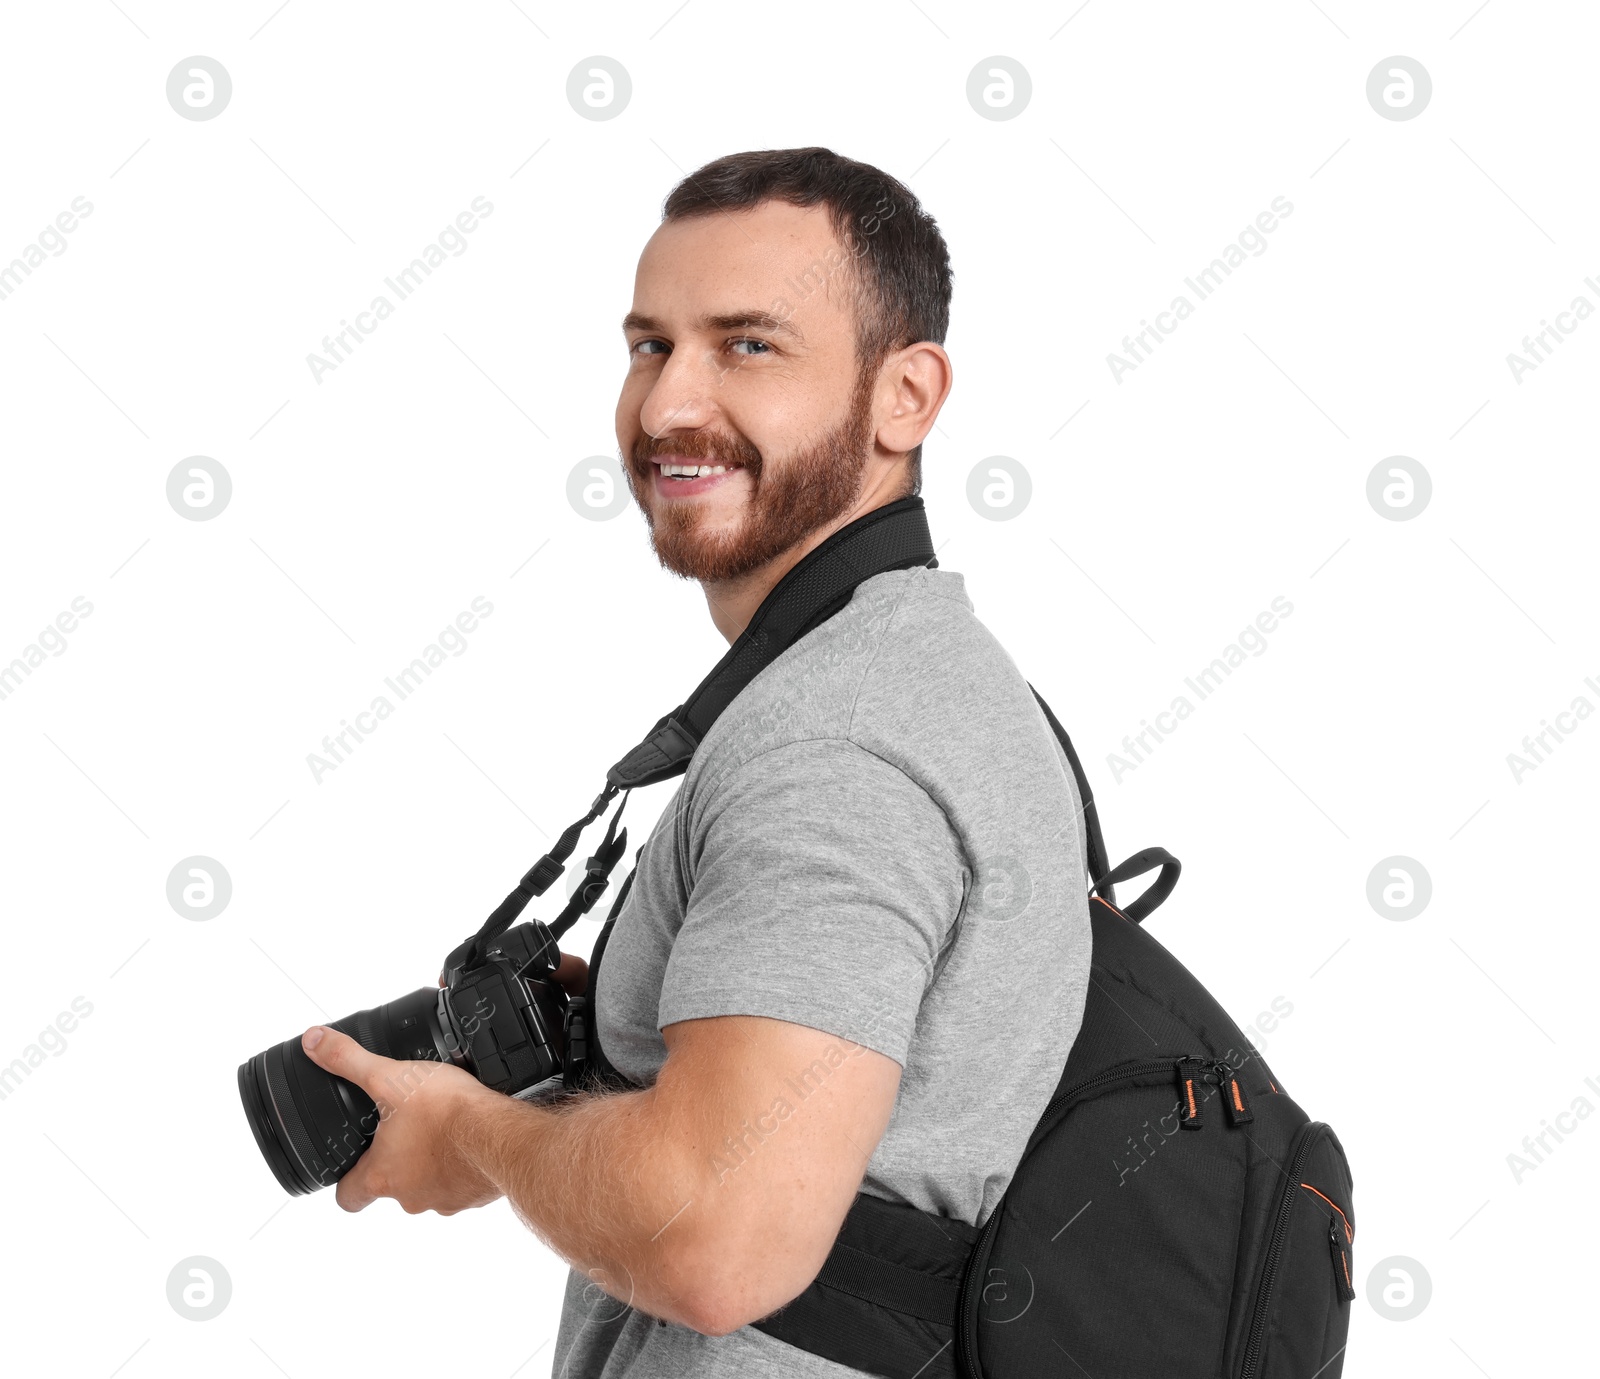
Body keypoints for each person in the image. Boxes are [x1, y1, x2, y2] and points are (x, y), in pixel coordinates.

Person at [300, 147, 1093, 1378]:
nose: (669, 405)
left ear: (907, 396)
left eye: (747, 346)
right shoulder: (921, 675)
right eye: (648, 345)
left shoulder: (837, 740)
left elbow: (717, 1239)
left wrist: (481, 1136)